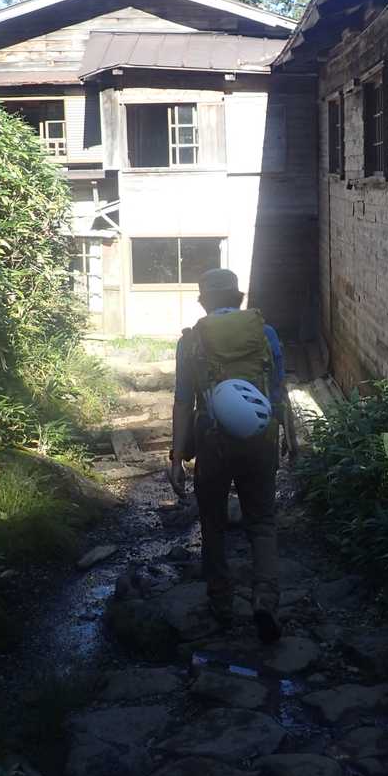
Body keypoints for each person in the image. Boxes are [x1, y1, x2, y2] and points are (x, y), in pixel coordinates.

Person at [168, 268, 292, 643]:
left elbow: (182, 401)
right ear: (238, 298)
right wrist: (293, 440)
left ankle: (221, 605)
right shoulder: (266, 334)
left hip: (213, 441)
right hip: (261, 437)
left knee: (213, 523)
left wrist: (177, 457)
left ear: (204, 301)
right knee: (263, 522)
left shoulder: (191, 342)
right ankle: (265, 600)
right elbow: (279, 392)